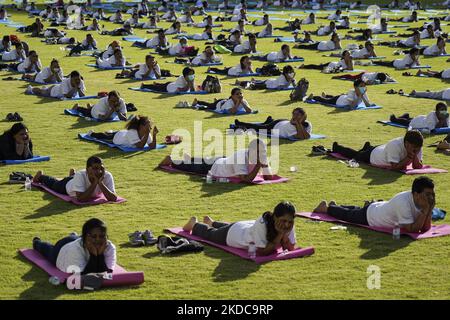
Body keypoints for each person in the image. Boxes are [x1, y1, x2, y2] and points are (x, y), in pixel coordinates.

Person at [313, 176, 435, 233]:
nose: (430, 198)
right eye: (427, 194)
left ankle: (336, 206)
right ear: (416, 194)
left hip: (377, 208)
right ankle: (326, 208)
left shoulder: (422, 202)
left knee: (356, 210)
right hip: (371, 217)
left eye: (432, 194)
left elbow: (425, 228)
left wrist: (429, 209)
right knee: (348, 215)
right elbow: (412, 230)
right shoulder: (403, 202)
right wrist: (426, 210)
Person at [181, 201, 297, 256]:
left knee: (227, 227)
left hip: (246, 227)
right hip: (235, 235)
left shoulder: (289, 223)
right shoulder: (262, 224)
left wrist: (285, 235)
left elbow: (291, 247)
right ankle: (194, 224)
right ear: (275, 216)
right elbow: (262, 252)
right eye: (283, 221)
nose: (287, 225)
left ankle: (213, 222)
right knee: (211, 234)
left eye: (289, 222)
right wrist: (280, 235)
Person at [158, 138, 273, 182]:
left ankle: (190, 158)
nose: (260, 154)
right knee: (192, 168)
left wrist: (265, 164)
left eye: (262, 152)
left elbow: (269, 178)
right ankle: (171, 161)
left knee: (203, 160)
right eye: (258, 151)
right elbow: (245, 180)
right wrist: (259, 165)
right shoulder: (241, 156)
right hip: (215, 168)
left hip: (223, 160)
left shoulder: (260, 156)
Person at [32, 218, 116, 276]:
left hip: (77, 240)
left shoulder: (109, 247)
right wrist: (94, 255)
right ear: (85, 236)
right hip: (62, 250)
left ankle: (74, 235)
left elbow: (106, 273)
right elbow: (87, 275)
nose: (98, 239)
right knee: (48, 250)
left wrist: (100, 254)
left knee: (76, 238)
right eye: (94, 236)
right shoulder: (75, 250)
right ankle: (37, 242)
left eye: (102, 236)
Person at [32, 156, 118, 202]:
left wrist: (100, 183)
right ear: (87, 169)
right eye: (95, 168)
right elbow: (80, 199)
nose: (99, 171)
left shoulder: (107, 175)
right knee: (54, 184)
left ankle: (72, 175)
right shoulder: (81, 174)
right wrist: (95, 183)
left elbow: (114, 198)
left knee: (75, 178)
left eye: (101, 168)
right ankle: (40, 177)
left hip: (76, 179)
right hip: (66, 186)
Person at [330, 130, 424, 171]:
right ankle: (337, 147)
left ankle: (367, 147)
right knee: (354, 155)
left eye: (418, 148)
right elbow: (394, 167)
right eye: (415, 148)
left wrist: (414, 155)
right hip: (373, 156)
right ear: (407, 143)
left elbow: (418, 166)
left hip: (382, 150)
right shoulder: (395, 145)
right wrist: (409, 157)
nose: (417, 150)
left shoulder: (417, 145)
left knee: (361, 152)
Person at [234, 107, 312, 140]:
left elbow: (306, 136)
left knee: (262, 126)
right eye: (293, 114)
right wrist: (298, 123)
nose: (294, 116)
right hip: (276, 125)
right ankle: (240, 123)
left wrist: (299, 123)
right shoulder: (293, 123)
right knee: (258, 127)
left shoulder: (307, 124)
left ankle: (269, 120)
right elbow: (301, 136)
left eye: (297, 115)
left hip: (279, 124)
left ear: (303, 116)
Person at [87, 115, 159, 149]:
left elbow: (152, 146)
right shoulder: (132, 132)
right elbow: (140, 146)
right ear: (141, 126)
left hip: (124, 133)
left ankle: (110, 132)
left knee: (110, 134)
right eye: (148, 124)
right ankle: (92, 134)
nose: (151, 125)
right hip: (118, 138)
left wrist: (154, 135)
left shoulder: (147, 133)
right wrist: (147, 134)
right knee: (106, 137)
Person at [307, 79, 374, 109]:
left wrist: (362, 96)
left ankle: (326, 95)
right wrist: (360, 96)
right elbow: (352, 106)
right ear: (355, 87)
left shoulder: (363, 92)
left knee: (330, 97)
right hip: (338, 100)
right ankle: (312, 97)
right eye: (361, 86)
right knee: (324, 100)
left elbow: (368, 105)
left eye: (364, 86)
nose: (363, 88)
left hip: (343, 97)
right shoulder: (351, 91)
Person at [188, 88, 253, 114]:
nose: (239, 95)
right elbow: (233, 112)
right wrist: (238, 102)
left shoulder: (243, 100)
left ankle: (215, 100)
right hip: (219, 104)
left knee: (212, 104)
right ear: (232, 96)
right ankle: (197, 102)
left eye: (241, 93)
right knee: (210, 105)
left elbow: (249, 111)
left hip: (224, 101)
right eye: (237, 94)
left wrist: (242, 103)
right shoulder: (230, 102)